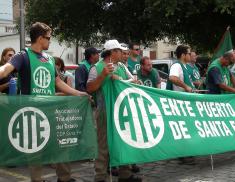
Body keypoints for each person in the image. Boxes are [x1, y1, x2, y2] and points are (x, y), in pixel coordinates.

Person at [0, 22, 88, 182]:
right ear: (40, 38)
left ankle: (64, 178)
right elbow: (5, 69)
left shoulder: (49, 59)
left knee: (62, 146)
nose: (49, 41)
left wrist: (79, 93)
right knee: (36, 153)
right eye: (48, 38)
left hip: (51, 110)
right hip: (32, 114)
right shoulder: (22, 55)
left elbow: (58, 83)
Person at [87, 39, 141, 182]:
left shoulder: (121, 67)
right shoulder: (96, 67)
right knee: (103, 146)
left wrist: (135, 82)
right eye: (118, 51)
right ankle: (100, 177)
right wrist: (103, 75)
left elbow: (131, 81)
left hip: (122, 111)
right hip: (104, 111)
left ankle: (125, 174)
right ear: (111, 53)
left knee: (123, 142)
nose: (122, 53)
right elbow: (90, 88)